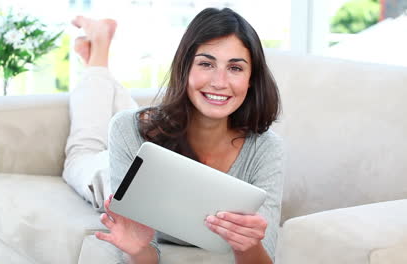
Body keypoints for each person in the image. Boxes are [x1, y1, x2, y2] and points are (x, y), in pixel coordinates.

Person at [63, 7, 284, 264]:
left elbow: (265, 255)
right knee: (83, 152)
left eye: (235, 68)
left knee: (136, 119)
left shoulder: (266, 150)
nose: (220, 82)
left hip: (159, 126)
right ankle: (98, 54)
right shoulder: (128, 131)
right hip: (108, 174)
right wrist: (137, 250)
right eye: (206, 64)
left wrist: (248, 247)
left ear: (251, 79)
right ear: (184, 68)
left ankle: (100, 61)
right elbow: (145, 251)